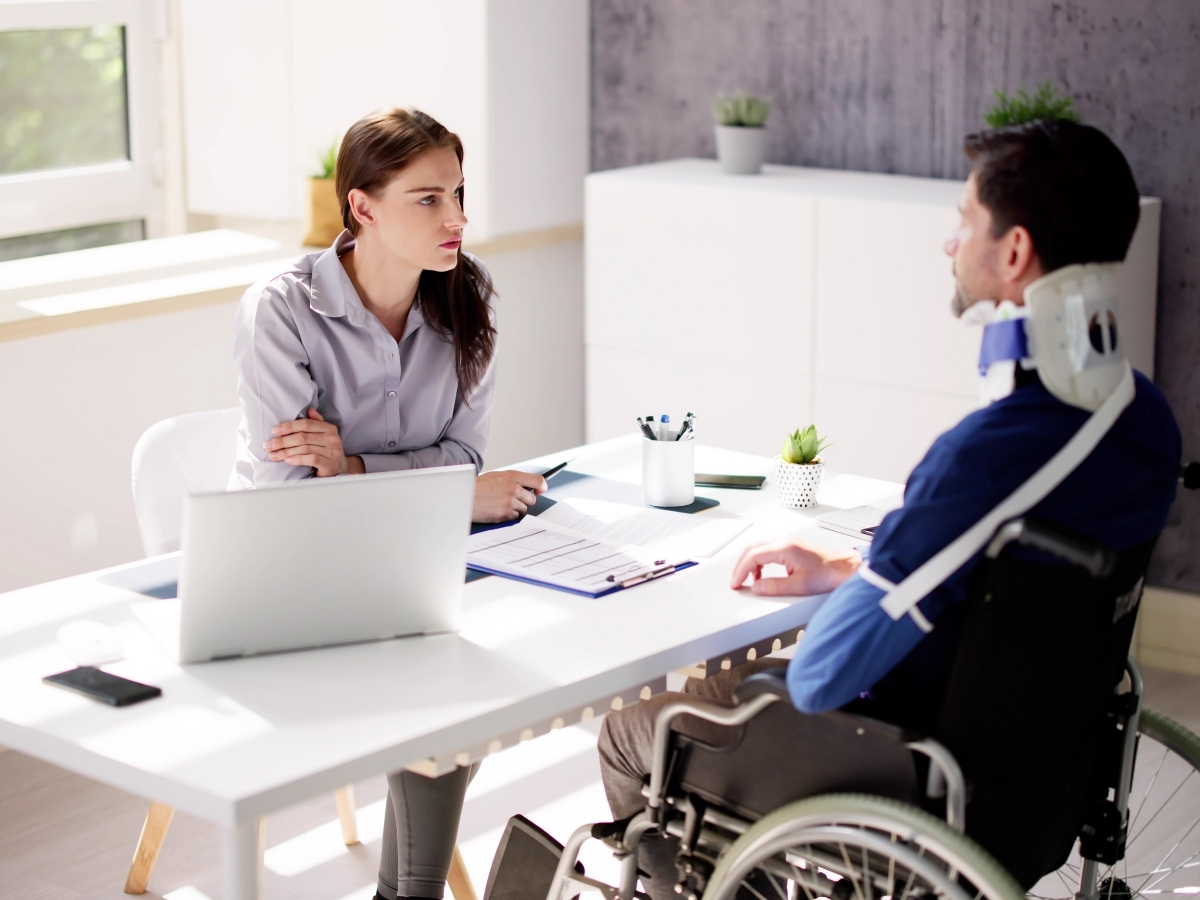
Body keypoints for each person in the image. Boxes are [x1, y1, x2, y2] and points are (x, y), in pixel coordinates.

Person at [597, 119, 1182, 895]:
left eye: (965, 221)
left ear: (1014, 253)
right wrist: (855, 570)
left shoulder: (988, 452)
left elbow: (819, 679)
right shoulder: (1146, 424)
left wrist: (877, 588)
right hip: (1043, 772)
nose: (950, 244)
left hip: (917, 768)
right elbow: (1002, 592)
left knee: (635, 730)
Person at [231, 108, 539, 900]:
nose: (459, 218)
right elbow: (295, 495)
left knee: (499, 653)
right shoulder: (282, 307)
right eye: (428, 199)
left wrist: (355, 463)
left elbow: (467, 460)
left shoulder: (470, 301)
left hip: (414, 559)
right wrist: (448, 494)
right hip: (287, 570)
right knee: (447, 679)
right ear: (363, 207)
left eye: (460, 194)